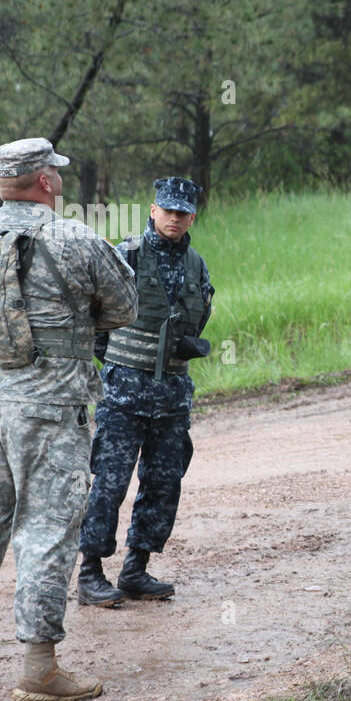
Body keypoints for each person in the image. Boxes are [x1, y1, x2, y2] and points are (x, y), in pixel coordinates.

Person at [0, 137, 137, 701]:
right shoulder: (74, 238)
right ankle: (38, 668)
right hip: (47, 405)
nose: (60, 179)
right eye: (55, 173)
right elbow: (124, 307)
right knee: (46, 524)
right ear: (45, 181)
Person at [77, 177, 214, 606]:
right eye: (167, 210)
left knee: (163, 481)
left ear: (192, 217)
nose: (174, 218)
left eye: (182, 212)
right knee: (110, 482)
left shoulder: (197, 265)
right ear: (153, 210)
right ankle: (90, 572)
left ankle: (136, 568)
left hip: (172, 396)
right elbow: (94, 322)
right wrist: (120, 363)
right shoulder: (125, 256)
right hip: (124, 394)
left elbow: (199, 318)